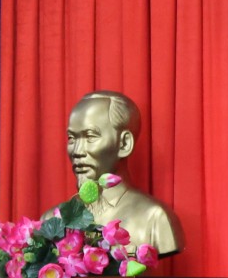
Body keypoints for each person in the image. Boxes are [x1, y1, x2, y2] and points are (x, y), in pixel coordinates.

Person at [61, 90, 184, 255]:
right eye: (72, 138)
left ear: (124, 144)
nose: (77, 151)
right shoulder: (54, 220)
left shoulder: (155, 218)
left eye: (90, 137)